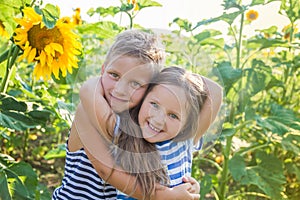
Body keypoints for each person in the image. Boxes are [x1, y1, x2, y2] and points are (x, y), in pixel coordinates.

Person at [52, 29, 200, 200]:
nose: (120, 89)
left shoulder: (142, 120)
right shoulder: (87, 111)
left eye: (135, 83)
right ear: (103, 70)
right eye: (114, 75)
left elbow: (213, 91)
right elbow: (105, 169)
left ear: (149, 89)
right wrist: (166, 195)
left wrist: (186, 186)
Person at [78, 66, 223, 199]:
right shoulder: (123, 131)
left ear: (186, 124)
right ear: (142, 99)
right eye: (154, 104)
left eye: (173, 115)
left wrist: (183, 79)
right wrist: (152, 74)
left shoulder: (183, 141)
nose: (159, 120)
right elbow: (88, 90)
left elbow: (215, 91)